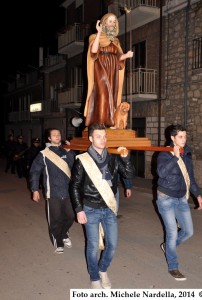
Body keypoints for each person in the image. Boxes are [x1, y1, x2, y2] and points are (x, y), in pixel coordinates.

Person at [70, 123, 134, 289]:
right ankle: (94, 277)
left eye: (104, 136)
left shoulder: (113, 157)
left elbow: (128, 174)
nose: (103, 139)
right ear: (91, 138)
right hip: (90, 208)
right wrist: (79, 209)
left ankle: (103, 270)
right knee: (92, 247)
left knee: (112, 245)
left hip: (109, 208)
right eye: (99, 136)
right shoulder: (82, 160)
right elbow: (75, 186)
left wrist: (126, 159)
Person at [156, 124, 202, 281]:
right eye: (180, 137)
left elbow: (190, 177)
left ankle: (167, 247)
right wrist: (175, 157)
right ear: (172, 138)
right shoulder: (165, 154)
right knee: (171, 233)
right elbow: (161, 173)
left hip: (181, 197)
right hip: (165, 197)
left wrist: (197, 195)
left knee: (188, 231)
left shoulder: (187, 153)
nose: (183, 140)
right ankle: (173, 267)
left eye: (184, 136)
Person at [29, 128, 75, 254]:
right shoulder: (44, 154)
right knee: (55, 219)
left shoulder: (66, 150)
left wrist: (70, 152)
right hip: (53, 192)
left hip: (67, 192)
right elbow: (35, 172)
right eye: (54, 135)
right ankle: (58, 242)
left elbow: (73, 166)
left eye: (58, 134)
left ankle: (64, 232)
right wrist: (35, 189)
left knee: (71, 216)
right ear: (49, 138)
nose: (57, 136)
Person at [84, 13, 133, 127]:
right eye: (109, 21)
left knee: (112, 94)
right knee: (102, 94)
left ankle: (110, 122)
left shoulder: (115, 41)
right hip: (100, 68)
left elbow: (118, 57)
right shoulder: (94, 37)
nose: (112, 24)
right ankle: (100, 122)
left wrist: (126, 55)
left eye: (114, 22)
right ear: (104, 23)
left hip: (113, 70)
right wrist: (99, 33)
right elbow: (93, 52)